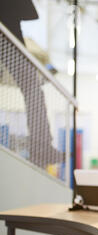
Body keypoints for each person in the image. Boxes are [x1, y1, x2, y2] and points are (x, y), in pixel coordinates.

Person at [0, 0, 64, 169]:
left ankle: (41, 146)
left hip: (11, 36)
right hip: (8, 34)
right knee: (32, 88)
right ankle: (41, 146)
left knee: (33, 88)